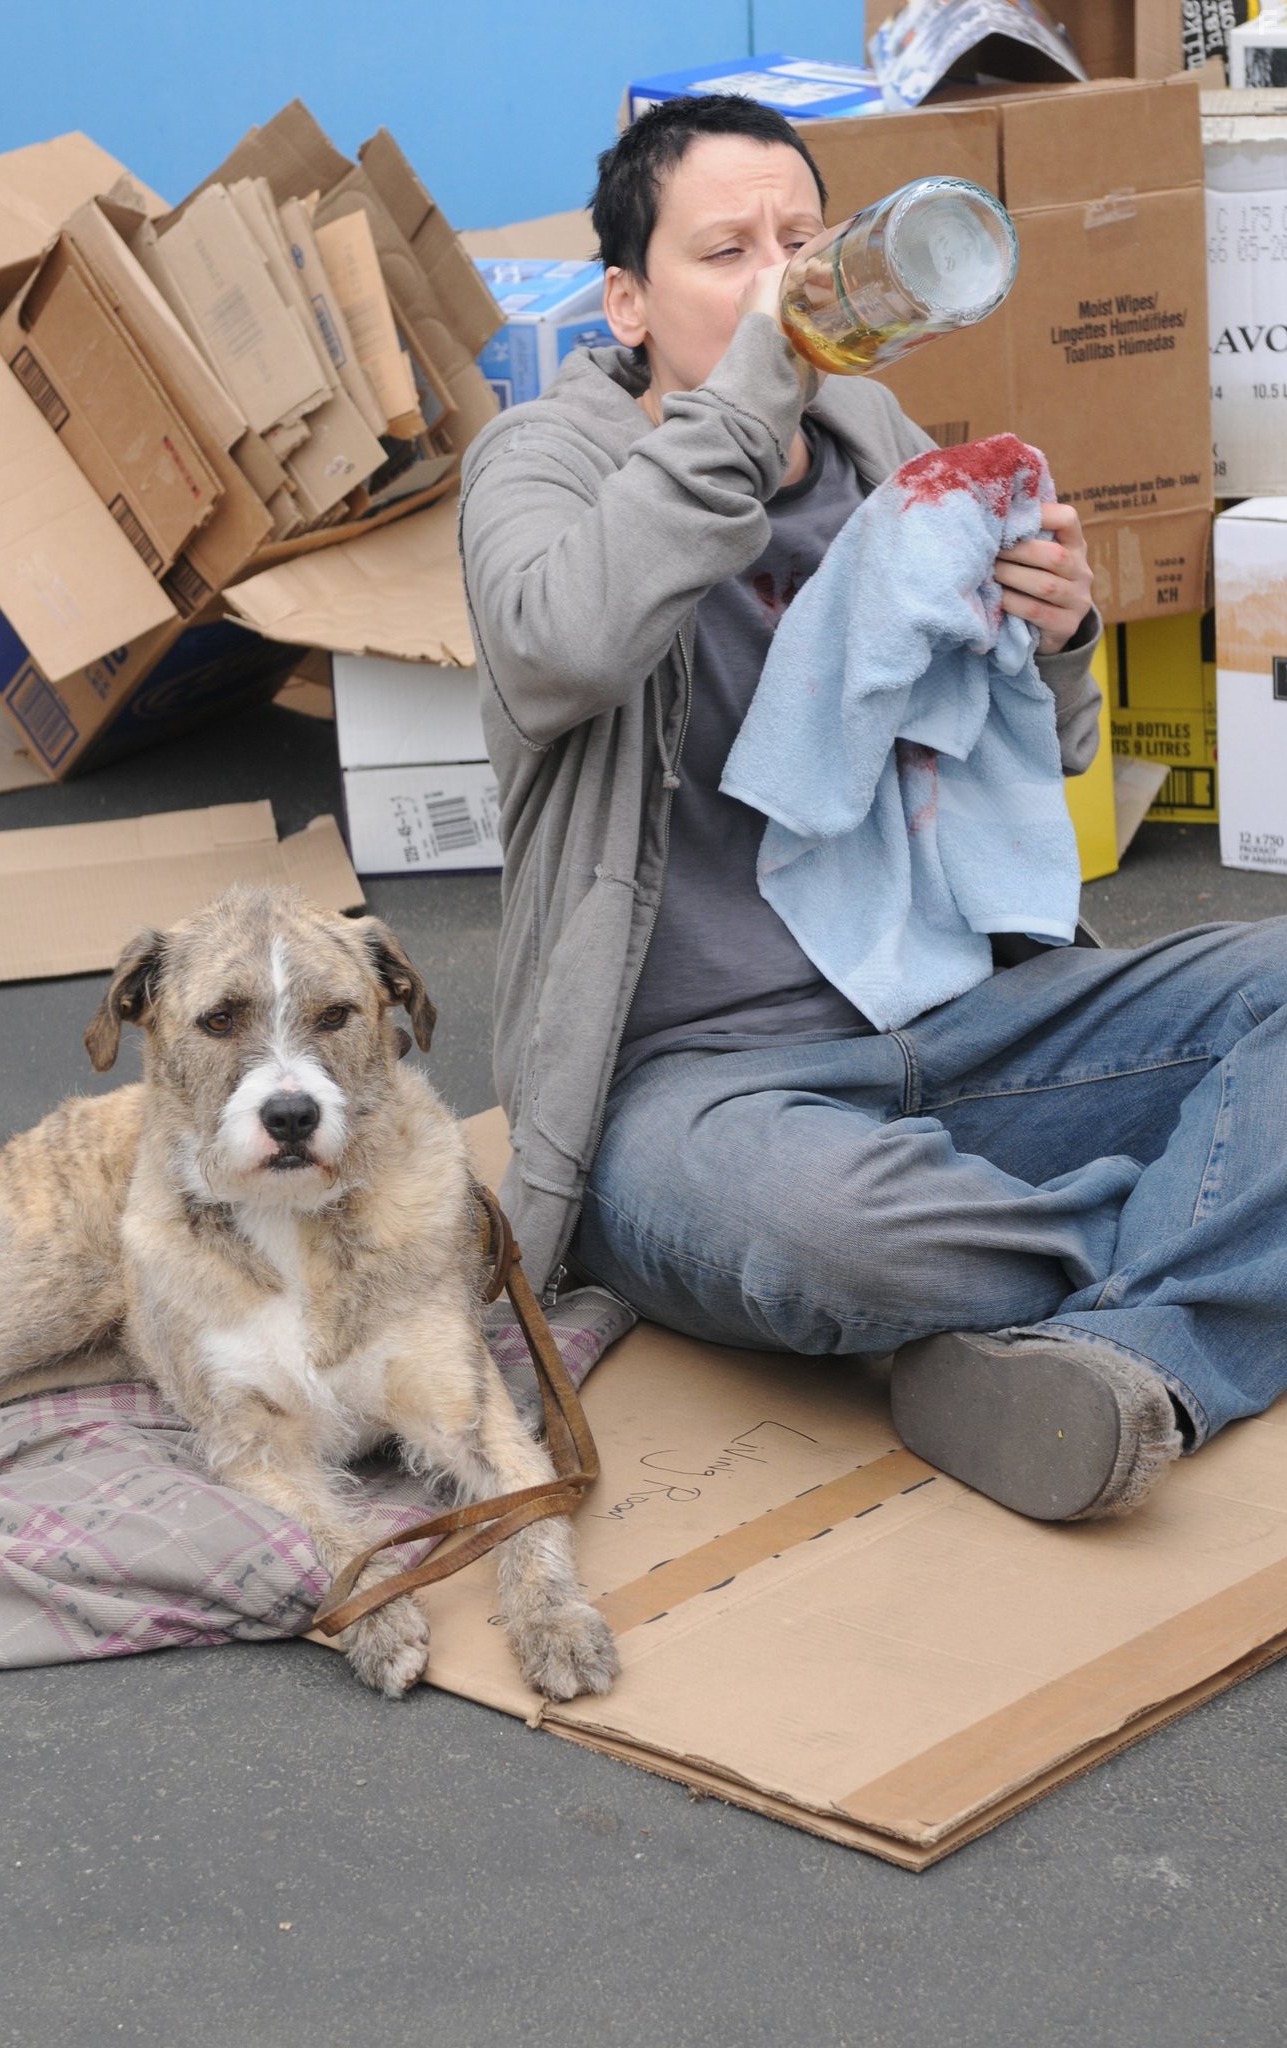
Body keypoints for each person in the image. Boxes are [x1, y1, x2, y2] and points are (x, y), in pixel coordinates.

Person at [458, 94, 1287, 1525]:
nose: (779, 279)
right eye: (726, 252)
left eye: (802, 240)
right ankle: (1208, 1224)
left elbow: (1034, 757)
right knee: (829, 1234)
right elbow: (564, 649)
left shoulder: (883, 441)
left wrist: (1062, 635)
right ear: (627, 301)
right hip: (703, 1095)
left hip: (968, 1026)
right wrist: (748, 401)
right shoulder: (541, 466)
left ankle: (1118, 1346)